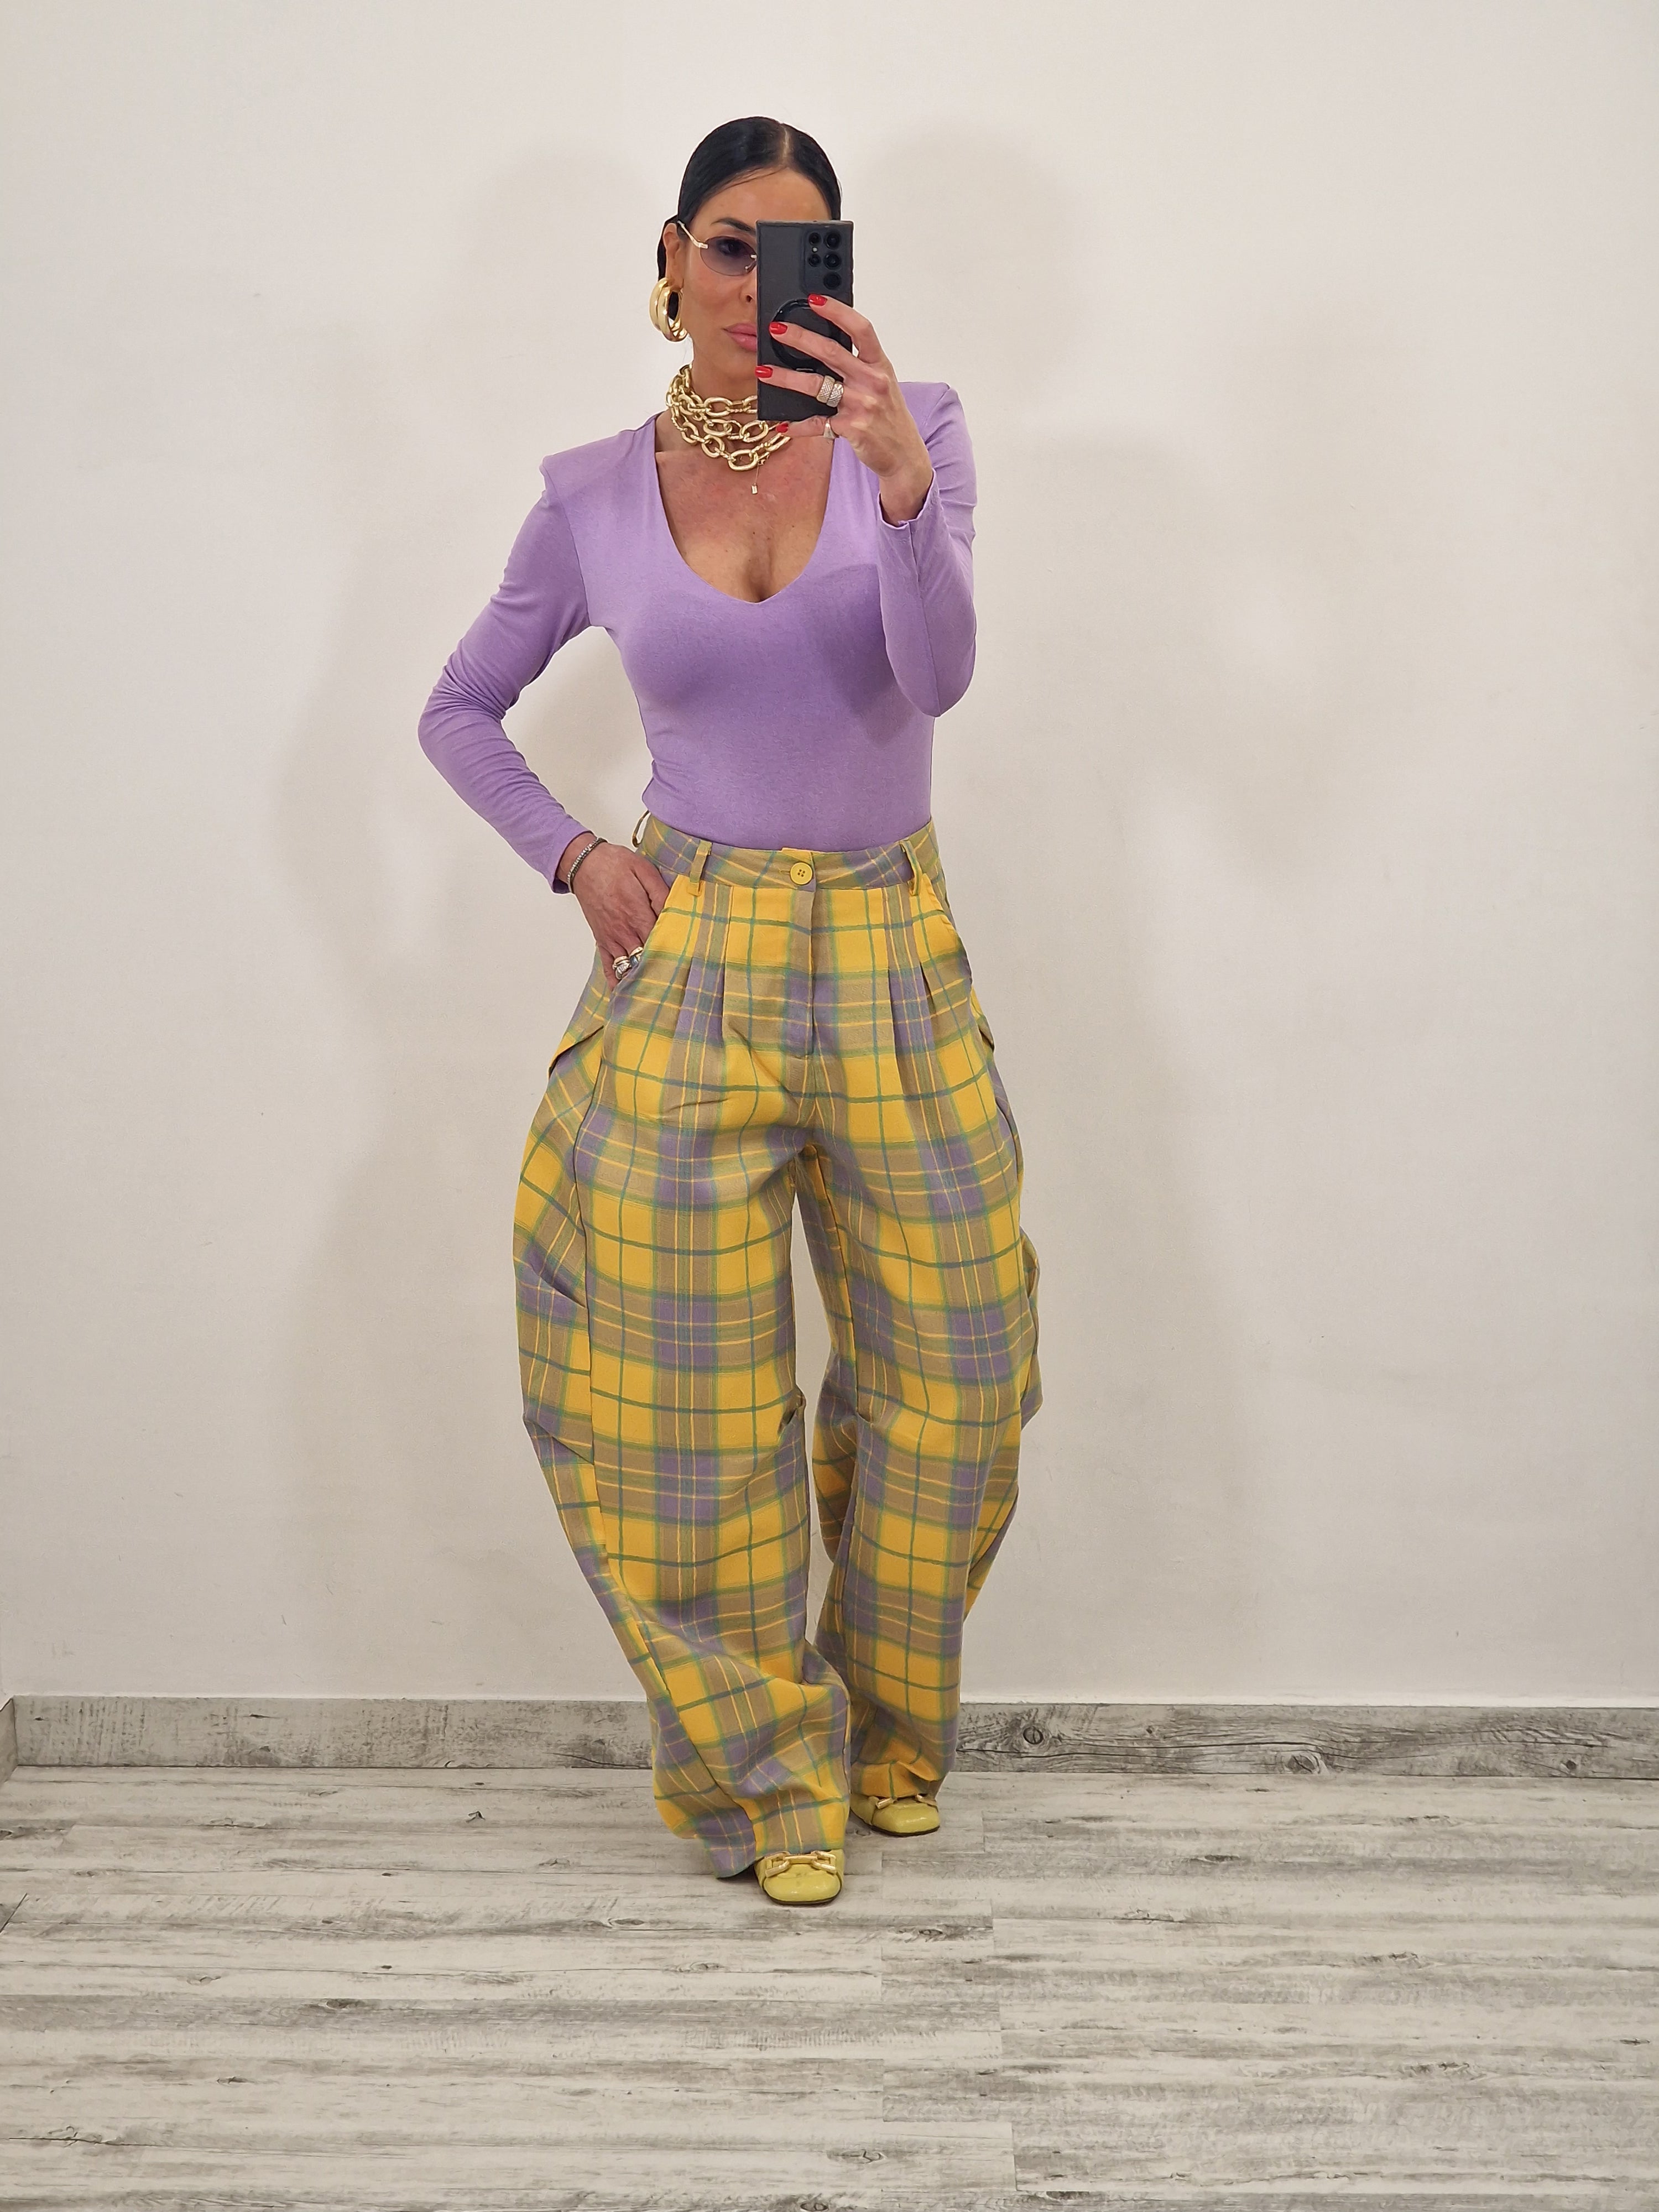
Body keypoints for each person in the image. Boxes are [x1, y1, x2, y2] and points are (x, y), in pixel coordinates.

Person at [418, 116, 1041, 1907]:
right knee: (682, 1404)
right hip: (692, 956)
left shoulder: (916, 433)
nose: (756, 284)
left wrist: (901, 492)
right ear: (672, 260)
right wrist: (573, 858)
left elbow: (938, 677)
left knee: (962, 1373)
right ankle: (766, 1775)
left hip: (891, 944)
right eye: (727, 247)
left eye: (799, 251)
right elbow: (458, 708)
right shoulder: (595, 494)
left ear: (839, 274)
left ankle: (886, 1726)